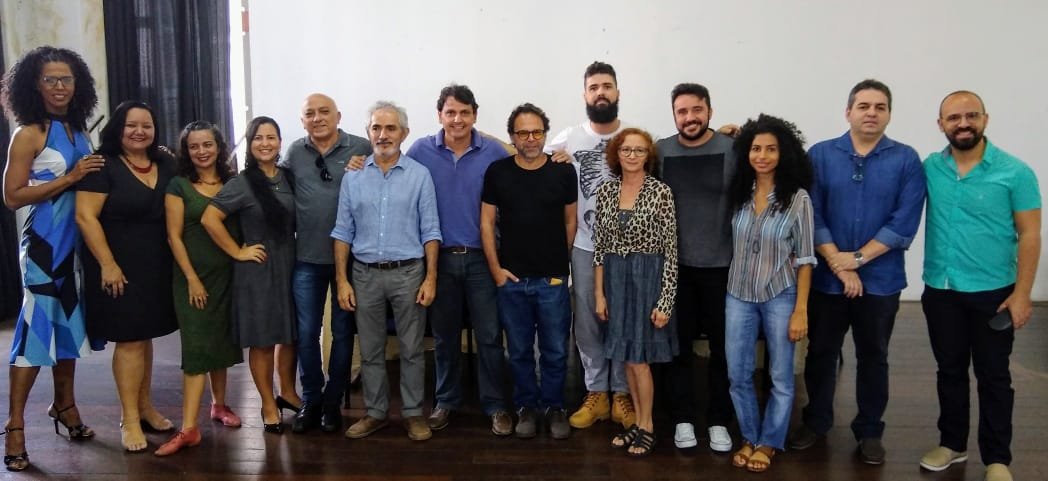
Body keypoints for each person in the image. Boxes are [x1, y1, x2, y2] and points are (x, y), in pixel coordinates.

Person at [790, 80, 926, 465]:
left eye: (880, 107)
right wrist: (839, 262)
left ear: (889, 114)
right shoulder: (820, 155)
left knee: (874, 356)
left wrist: (858, 260)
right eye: (863, 106)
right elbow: (811, 214)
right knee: (821, 353)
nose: (871, 113)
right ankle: (816, 422)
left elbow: (904, 222)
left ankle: (869, 430)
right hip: (827, 280)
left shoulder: (906, 160)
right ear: (848, 111)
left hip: (881, 282)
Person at [919, 91, 1040, 481]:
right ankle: (952, 444)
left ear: (985, 119)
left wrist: (1022, 294)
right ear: (941, 124)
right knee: (949, 371)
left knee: (994, 376)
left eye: (971, 115)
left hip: (994, 293)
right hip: (941, 289)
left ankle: (997, 459)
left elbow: (1030, 234)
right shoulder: (930, 168)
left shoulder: (1015, 172)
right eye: (954, 118)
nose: (963, 123)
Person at [0, 46, 101, 471]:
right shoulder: (28, 134)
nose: (60, 87)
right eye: (50, 79)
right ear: (34, 85)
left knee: (66, 328)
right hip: (43, 244)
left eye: (66, 79)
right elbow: (12, 196)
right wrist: (70, 177)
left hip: (76, 247)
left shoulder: (78, 130)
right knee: (35, 334)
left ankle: (65, 406)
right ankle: (14, 425)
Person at [405, 85, 512, 435]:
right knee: (444, 336)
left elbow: (524, 158)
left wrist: (559, 155)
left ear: (474, 115)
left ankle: (496, 405)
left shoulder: (493, 151)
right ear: (439, 115)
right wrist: (359, 161)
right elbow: (393, 170)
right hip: (439, 260)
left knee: (490, 336)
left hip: (483, 259)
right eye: (450, 112)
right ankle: (445, 401)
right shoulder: (421, 150)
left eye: (465, 112)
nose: (457, 119)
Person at [333, 101, 441, 442]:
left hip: (409, 274)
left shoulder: (419, 175)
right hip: (364, 275)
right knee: (370, 350)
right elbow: (342, 232)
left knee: (411, 349)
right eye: (376, 128)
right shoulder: (353, 176)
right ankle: (376, 413)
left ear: (404, 133)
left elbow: (431, 230)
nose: (383, 135)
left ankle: (413, 414)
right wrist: (342, 280)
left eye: (390, 128)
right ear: (368, 133)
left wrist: (431, 278)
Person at [75, 100, 179, 452]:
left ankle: (145, 406)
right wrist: (107, 263)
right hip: (116, 265)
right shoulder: (101, 165)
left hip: (156, 264)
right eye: (131, 125)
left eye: (146, 125)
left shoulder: (165, 162)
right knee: (130, 340)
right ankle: (129, 419)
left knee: (144, 337)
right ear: (118, 128)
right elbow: (85, 217)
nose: (139, 131)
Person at [546, 61, 634, 431]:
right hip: (583, 245)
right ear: (585, 94)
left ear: (617, 92)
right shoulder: (568, 138)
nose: (601, 93)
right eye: (594, 87)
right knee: (587, 321)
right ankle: (596, 391)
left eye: (607, 86)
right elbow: (526, 152)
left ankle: (622, 392)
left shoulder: (634, 137)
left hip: (628, 248)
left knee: (624, 318)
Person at [724, 114, 815, 473]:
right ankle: (750, 436)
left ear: (784, 153)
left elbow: (805, 259)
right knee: (738, 373)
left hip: (780, 294)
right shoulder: (739, 193)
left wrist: (801, 309)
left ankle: (770, 441)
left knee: (780, 375)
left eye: (771, 149)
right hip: (738, 294)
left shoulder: (798, 199)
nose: (762, 155)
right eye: (755, 148)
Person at [481, 103, 577, 440]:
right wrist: (496, 270)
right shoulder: (497, 172)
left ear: (545, 134)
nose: (531, 138)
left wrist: (558, 262)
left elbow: (570, 221)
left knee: (556, 350)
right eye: (523, 133)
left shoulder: (563, 171)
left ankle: (553, 406)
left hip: (552, 279)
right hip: (512, 280)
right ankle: (525, 406)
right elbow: (487, 222)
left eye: (537, 132)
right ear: (512, 137)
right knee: (519, 351)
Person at [201, 116, 300, 435]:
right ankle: (268, 404)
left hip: (289, 263)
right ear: (250, 143)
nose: (265, 143)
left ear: (280, 142)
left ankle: (288, 392)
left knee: (290, 335)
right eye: (258, 138)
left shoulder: (288, 177)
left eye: (271, 137)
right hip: (258, 269)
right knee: (263, 340)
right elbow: (210, 218)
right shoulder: (242, 182)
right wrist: (237, 251)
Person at [653, 82, 737, 452]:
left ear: (710, 111)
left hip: (722, 267)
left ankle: (719, 420)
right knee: (678, 347)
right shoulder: (661, 152)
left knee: (722, 349)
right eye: (682, 111)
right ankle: (682, 418)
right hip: (676, 269)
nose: (690, 117)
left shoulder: (732, 149)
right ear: (674, 115)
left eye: (696, 110)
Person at [282, 93, 371, 434]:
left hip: (350, 260)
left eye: (324, 112)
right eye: (310, 113)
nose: (317, 118)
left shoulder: (361, 147)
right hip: (307, 258)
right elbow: (277, 190)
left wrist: (366, 168)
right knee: (306, 333)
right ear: (302, 120)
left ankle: (333, 402)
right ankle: (311, 400)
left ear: (338, 116)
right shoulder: (294, 152)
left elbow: (387, 178)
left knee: (343, 332)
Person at [155, 121, 245, 456]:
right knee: (196, 350)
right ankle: (189, 428)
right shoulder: (179, 186)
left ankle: (219, 405)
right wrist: (191, 277)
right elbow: (173, 237)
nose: (201, 151)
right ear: (186, 151)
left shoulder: (234, 182)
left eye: (207, 144)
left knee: (220, 343)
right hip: (193, 279)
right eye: (194, 146)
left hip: (228, 278)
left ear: (218, 147)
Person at [592, 128, 678, 456]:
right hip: (615, 279)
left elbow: (671, 250)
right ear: (616, 154)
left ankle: (647, 426)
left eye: (639, 150)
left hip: (648, 279)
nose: (632, 155)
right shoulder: (606, 191)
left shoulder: (661, 192)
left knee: (640, 361)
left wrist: (666, 300)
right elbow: (600, 249)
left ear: (648, 156)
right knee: (627, 359)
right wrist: (599, 294)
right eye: (626, 149)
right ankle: (638, 425)